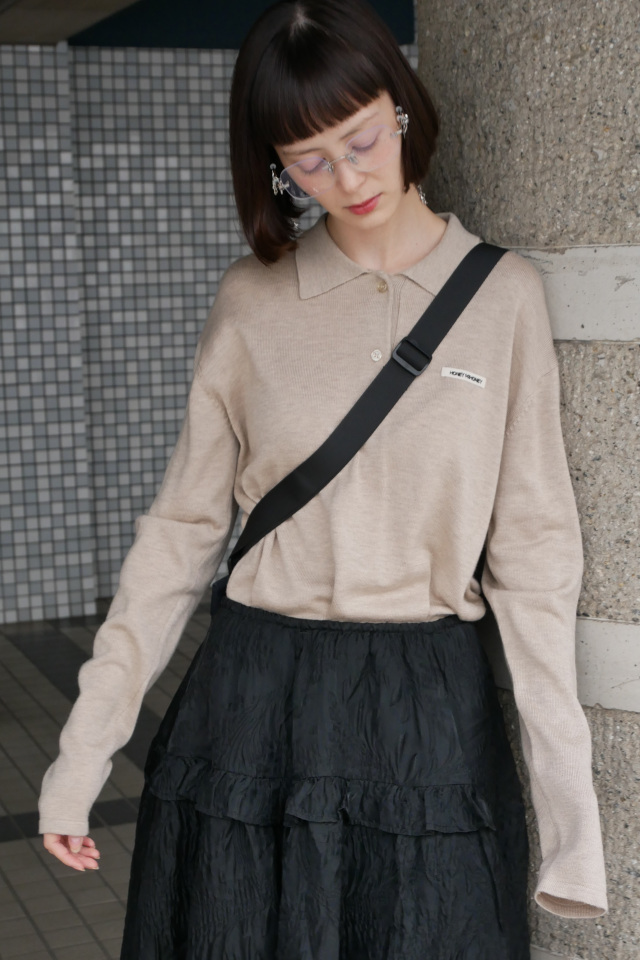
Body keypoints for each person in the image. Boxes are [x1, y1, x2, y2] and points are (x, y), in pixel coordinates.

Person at [39, 0, 608, 956]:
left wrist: (572, 831)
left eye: (361, 139)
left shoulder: (503, 297)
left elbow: (536, 563)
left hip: (425, 707)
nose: (347, 178)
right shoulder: (251, 301)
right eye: (308, 160)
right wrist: (80, 758)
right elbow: (180, 537)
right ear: (275, 165)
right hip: (253, 703)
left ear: (402, 109)